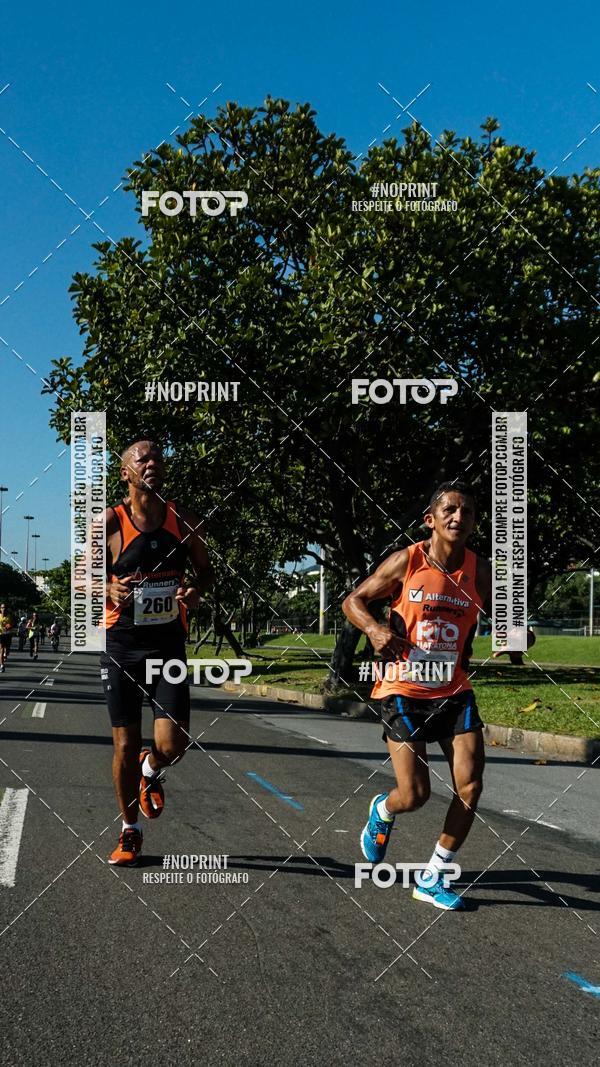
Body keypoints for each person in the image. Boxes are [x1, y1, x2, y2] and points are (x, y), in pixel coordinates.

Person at [343, 481, 533, 912]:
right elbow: (353, 601)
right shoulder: (406, 561)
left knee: (470, 785)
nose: (458, 517)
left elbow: (515, 627)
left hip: (453, 689)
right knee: (415, 794)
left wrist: (518, 639)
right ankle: (384, 810)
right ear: (431, 520)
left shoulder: (479, 571)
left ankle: (433, 876)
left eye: (467, 511)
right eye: (450, 509)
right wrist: (374, 629)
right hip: (402, 689)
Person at [102, 439, 214, 866]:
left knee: (175, 743)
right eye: (142, 458)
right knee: (125, 746)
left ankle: (152, 770)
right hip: (123, 648)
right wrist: (106, 588)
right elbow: (81, 581)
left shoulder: (183, 521)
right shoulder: (109, 523)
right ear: (125, 473)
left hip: (167, 645)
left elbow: (206, 572)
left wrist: (195, 589)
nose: (152, 463)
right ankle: (130, 831)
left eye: (157, 458)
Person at [0, 603, 13, 672]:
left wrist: (9, 626)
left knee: (7, 650)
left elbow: (11, 625)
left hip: (8, 634)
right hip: (1, 634)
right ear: (0, 609)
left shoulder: (9, 616)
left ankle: (6, 653)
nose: (3, 609)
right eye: (2, 607)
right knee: (1, 649)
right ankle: (2, 666)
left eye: (4, 608)